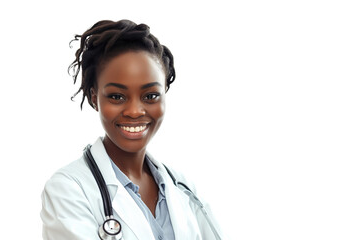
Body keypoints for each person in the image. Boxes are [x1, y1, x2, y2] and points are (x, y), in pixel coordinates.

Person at [40, 19, 223, 240]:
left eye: (150, 96)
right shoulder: (68, 190)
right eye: (117, 96)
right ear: (94, 98)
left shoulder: (185, 189)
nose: (135, 111)